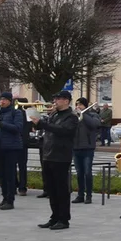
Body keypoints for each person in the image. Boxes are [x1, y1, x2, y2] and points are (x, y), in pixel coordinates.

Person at [35, 91, 77, 230]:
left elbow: (63, 131)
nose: (55, 101)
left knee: (61, 189)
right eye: (55, 99)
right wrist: (37, 121)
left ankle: (64, 219)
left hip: (61, 157)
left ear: (66, 101)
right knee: (51, 189)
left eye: (58, 99)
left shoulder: (71, 117)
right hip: (48, 154)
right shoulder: (53, 114)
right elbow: (45, 128)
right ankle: (54, 217)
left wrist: (44, 124)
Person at [0, 92, 25, 210]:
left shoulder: (16, 113)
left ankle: (10, 200)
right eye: (1, 100)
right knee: (2, 174)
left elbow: (17, 128)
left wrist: (0, 124)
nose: (2, 102)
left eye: (5, 100)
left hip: (12, 147)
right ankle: (4, 197)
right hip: (0, 146)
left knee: (10, 174)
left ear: (10, 101)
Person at [72, 98, 100, 204]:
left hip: (88, 148)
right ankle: (80, 195)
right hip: (76, 148)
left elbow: (95, 125)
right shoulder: (75, 116)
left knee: (88, 172)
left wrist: (83, 115)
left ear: (85, 105)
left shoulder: (92, 115)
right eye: (76, 105)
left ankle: (89, 196)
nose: (78, 107)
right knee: (79, 173)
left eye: (80, 105)